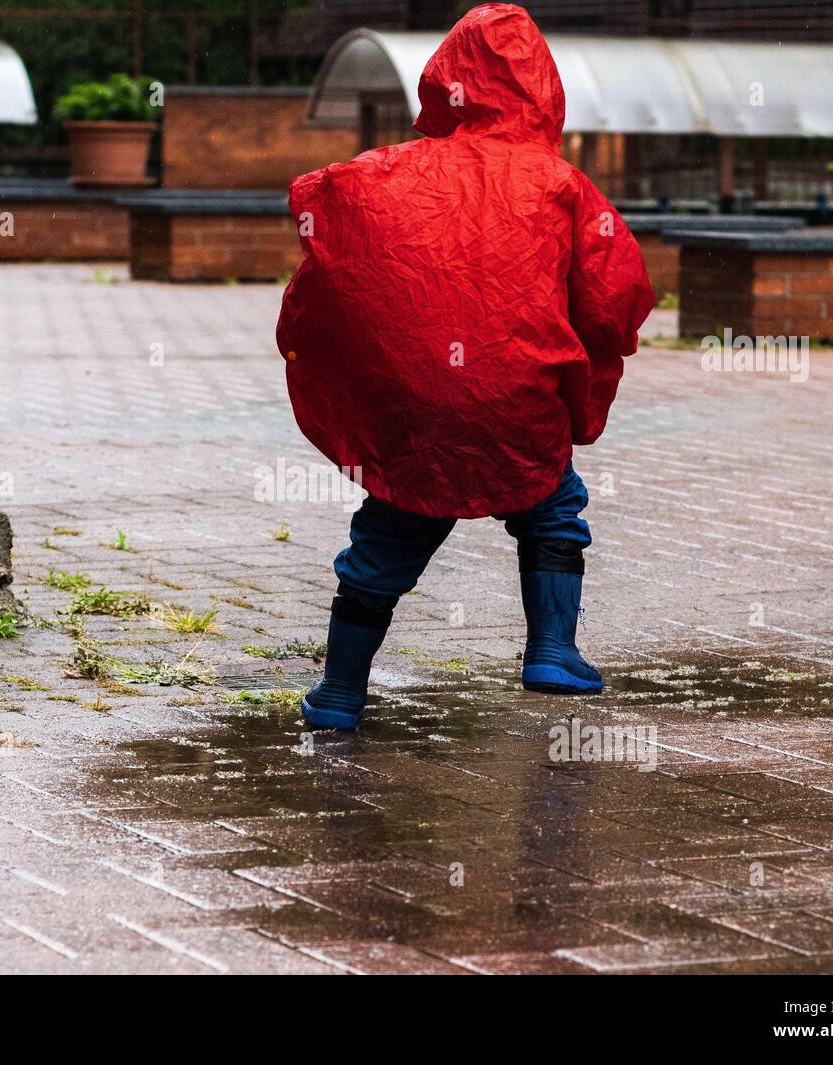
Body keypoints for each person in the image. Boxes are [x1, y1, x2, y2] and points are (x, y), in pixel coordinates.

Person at [277, 3, 654, 730]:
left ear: (444, 82)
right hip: (516, 398)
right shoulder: (559, 184)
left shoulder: (383, 173)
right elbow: (614, 295)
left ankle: (339, 692)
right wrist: (586, 365)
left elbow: (327, 246)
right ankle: (550, 647)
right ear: (542, 90)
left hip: (414, 407)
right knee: (551, 509)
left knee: (385, 534)